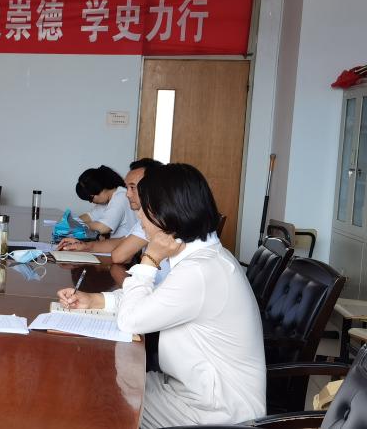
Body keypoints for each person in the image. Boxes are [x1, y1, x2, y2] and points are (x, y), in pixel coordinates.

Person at [58, 163, 265, 428]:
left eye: (143, 209)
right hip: (188, 390)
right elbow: (156, 299)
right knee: (97, 385)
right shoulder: (201, 257)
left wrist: (150, 259)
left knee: (97, 406)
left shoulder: (199, 271)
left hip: (214, 412)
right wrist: (96, 300)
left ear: (163, 214)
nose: (139, 218)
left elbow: (132, 320)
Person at [58, 159, 164, 264]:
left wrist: (76, 226)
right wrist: (85, 246)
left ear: (152, 187)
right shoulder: (147, 216)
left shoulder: (156, 217)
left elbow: (119, 254)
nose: (127, 194)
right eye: (127, 187)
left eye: (132, 187)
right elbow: (122, 241)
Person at [73, 165, 135, 238]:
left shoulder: (121, 197)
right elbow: (89, 216)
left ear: (100, 188)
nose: (91, 202)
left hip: (128, 243)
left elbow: (103, 228)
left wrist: (79, 226)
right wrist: (69, 223)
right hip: (117, 242)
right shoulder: (107, 200)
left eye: (91, 198)